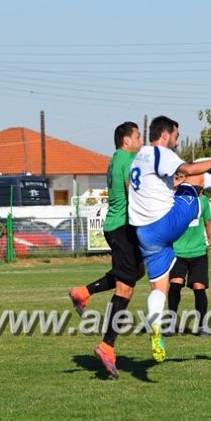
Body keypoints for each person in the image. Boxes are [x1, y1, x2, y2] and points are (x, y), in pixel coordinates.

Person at [128, 115, 211, 363]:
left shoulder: (140, 156)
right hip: (165, 223)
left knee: (159, 287)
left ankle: (156, 329)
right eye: (176, 137)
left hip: (144, 233)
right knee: (198, 177)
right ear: (165, 135)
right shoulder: (160, 152)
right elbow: (189, 170)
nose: (177, 143)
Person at [68, 121, 144, 378]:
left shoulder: (115, 159)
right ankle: (107, 346)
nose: (140, 140)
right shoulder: (128, 161)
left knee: (135, 273)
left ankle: (83, 292)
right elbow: (132, 194)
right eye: (138, 136)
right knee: (126, 286)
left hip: (117, 227)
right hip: (122, 228)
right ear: (127, 141)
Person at [167, 184, 211, 337]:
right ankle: (171, 324)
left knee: (199, 287)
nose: (200, 188)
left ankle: (201, 326)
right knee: (175, 285)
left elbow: (207, 222)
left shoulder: (204, 201)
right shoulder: (173, 200)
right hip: (177, 252)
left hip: (198, 252)